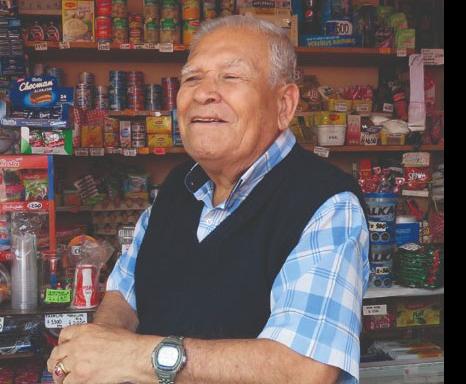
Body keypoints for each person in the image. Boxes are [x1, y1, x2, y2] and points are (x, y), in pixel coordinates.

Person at [48, 15, 370, 384]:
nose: (204, 93)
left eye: (231, 78)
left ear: (284, 105)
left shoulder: (327, 203)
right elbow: (124, 292)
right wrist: (95, 351)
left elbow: (304, 369)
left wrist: (133, 356)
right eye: (192, 78)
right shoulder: (176, 189)